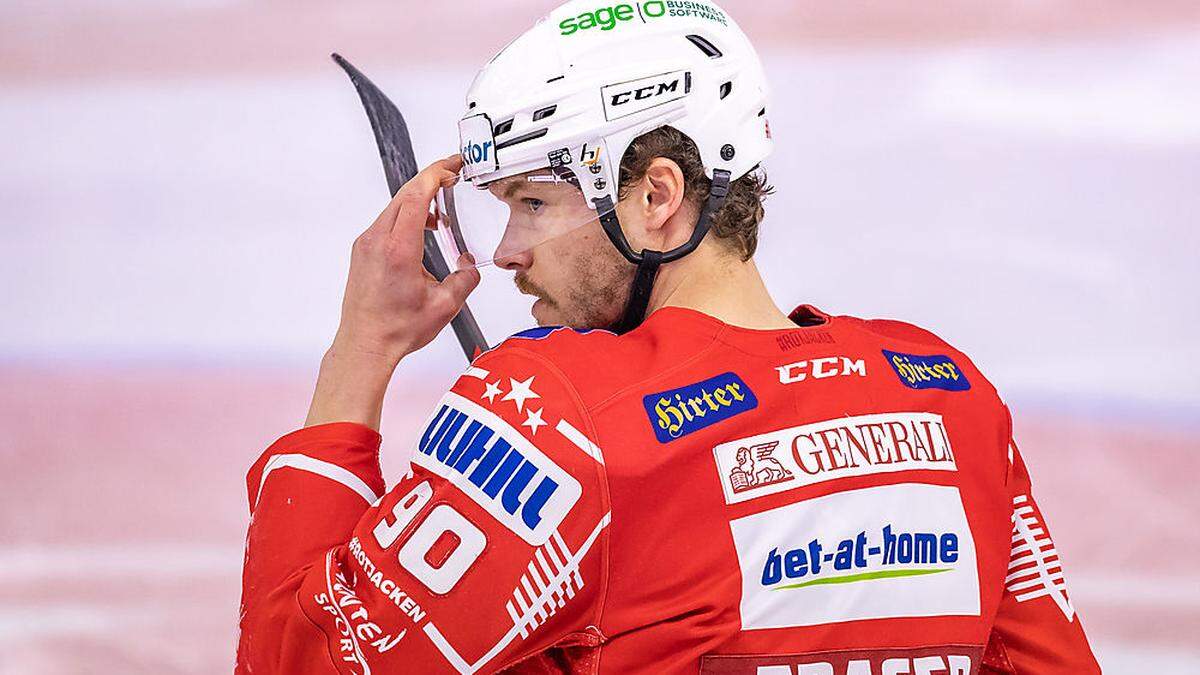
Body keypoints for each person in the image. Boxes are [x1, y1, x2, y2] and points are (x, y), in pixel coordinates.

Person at [237, 1, 1101, 673]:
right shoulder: (949, 395)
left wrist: (360, 350)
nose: (506, 253)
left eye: (533, 203)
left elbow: (301, 659)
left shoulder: (558, 410)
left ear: (656, 195)